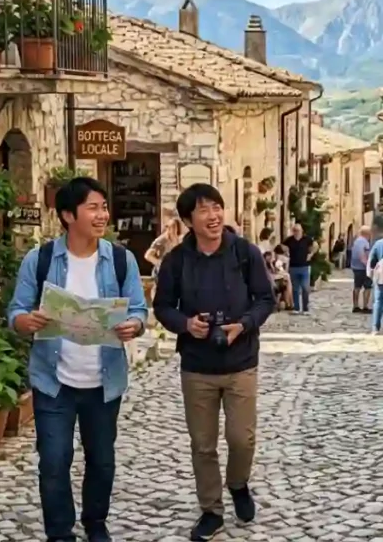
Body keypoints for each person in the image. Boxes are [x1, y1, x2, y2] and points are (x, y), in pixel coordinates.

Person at [7, 177, 148, 542]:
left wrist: (133, 325)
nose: (102, 215)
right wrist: (28, 320)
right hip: (53, 382)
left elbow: (138, 310)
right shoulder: (39, 260)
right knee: (54, 462)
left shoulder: (120, 260)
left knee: (101, 461)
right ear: (68, 215)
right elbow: (16, 312)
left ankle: (95, 523)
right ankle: (60, 533)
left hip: (104, 382)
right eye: (93, 207)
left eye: (104, 207)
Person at [152, 183, 274, 542]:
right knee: (202, 444)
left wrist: (245, 325)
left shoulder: (244, 253)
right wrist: (186, 324)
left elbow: (265, 299)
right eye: (204, 210)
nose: (214, 215)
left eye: (217, 207)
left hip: (241, 361)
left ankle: (238, 483)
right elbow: (162, 307)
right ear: (189, 219)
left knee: (242, 439)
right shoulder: (176, 260)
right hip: (197, 366)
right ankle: (211, 510)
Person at [282, 223, 315, 314]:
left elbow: (314, 246)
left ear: (302, 231)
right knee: (295, 288)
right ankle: (296, 308)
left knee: (305, 287)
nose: (296, 232)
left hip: (304, 266)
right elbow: (282, 246)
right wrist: (286, 252)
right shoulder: (289, 240)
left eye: (298, 230)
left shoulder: (307, 239)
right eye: (295, 230)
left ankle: (305, 308)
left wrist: (310, 254)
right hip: (293, 267)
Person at [145, 211, 186, 277]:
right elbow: (148, 255)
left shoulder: (181, 240)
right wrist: (161, 264)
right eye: (169, 227)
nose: (171, 229)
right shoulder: (161, 241)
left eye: (174, 227)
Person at [350, 226, 373, 313]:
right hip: (363, 268)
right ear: (367, 233)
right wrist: (368, 266)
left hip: (356, 267)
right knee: (367, 287)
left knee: (357, 286)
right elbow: (362, 254)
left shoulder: (357, 241)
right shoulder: (363, 242)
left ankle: (355, 306)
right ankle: (365, 307)